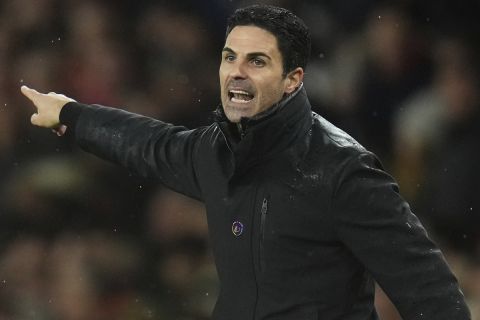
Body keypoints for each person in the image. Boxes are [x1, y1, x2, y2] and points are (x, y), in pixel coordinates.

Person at [20, 4, 471, 320]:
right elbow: (149, 144)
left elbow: (430, 292)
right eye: (229, 58)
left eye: (257, 61)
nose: (237, 71)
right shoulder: (215, 152)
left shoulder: (343, 172)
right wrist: (72, 116)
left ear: (293, 79)